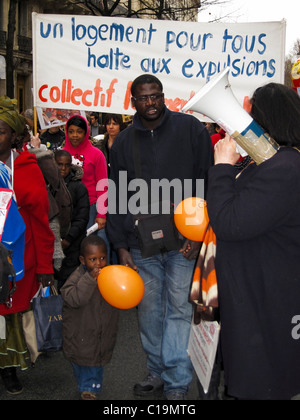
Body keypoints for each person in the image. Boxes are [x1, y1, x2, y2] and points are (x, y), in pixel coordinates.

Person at [106, 74, 213, 400]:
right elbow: (118, 195)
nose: (150, 102)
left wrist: (198, 236)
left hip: (184, 241)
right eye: (143, 97)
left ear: (163, 96)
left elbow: (207, 184)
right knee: (150, 311)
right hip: (141, 245)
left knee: (180, 309)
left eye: (155, 96)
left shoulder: (191, 130)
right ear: (133, 101)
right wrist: (121, 246)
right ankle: (157, 372)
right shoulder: (124, 142)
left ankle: (177, 380)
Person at [206, 83, 300, 400]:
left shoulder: (285, 169)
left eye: (252, 115)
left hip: (265, 300)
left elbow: (230, 223)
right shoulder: (278, 163)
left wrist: (221, 168)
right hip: (258, 291)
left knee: (261, 380)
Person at [0, 95, 55, 394]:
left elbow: (41, 222)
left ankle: (9, 369)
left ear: (14, 136)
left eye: (1, 131)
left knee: (9, 316)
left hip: (17, 259)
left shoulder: (26, 167)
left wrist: (45, 266)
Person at [60, 235, 119, 400]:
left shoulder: (110, 275)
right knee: (81, 362)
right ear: (82, 260)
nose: (98, 263)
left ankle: (90, 388)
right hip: (80, 333)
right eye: (93, 259)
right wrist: (89, 279)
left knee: (94, 364)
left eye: (102, 258)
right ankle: (85, 384)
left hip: (101, 332)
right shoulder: (78, 277)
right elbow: (74, 298)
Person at [62, 115, 110, 257]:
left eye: (79, 131)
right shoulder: (61, 154)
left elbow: (103, 185)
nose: (75, 135)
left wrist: (101, 213)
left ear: (86, 133)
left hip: (91, 208)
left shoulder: (97, 154)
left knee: (92, 247)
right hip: (68, 208)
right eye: (71, 131)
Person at [54, 150, 90, 291]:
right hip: (50, 242)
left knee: (67, 282)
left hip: (72, 243)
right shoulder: (45, 184)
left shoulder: (79, 187)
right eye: (59, 164)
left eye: (67, 165)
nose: (63, 168)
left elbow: (82, 216)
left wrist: (68, 239)